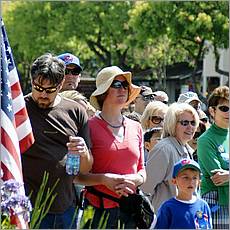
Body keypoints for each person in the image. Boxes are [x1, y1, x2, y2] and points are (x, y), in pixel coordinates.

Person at [22, 53, 93, 229]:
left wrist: (83, 152)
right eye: (38, 88)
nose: (43, 94)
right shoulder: (18, 110)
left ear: (60, 85)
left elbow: (86, 168)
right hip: (28, 208)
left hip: (66, 208)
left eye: (50, 90)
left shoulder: (75, 111)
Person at [74, 66, 146, 229]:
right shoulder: (88, 127)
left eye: (125, 85)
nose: (123, 89)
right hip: (98, 211)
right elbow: (77, 176)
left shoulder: (136, 127)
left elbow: (142, 170)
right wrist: (103, 179)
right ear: (103, 91)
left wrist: (135, 179)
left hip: (130, 210)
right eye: (116, 84)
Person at [141, 102, 200, 213]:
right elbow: (146, 189)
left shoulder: (186, 148)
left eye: (193, 123)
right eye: (184, 122)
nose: (190, 127)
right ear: (172, 124)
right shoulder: (164, 149)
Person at [197, 85, 229, 229]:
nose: (229, 112)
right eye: (224, 108)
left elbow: (225, 177)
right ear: (212, 111)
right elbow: (218, 179)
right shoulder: (205, 140)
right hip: (216, 205)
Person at [155, 158, 212, 229]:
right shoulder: (168, 207)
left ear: (199, 182)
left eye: (194, 178)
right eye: (185, 177)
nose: (191, 181)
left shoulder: (203, 205)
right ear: (174, 181)